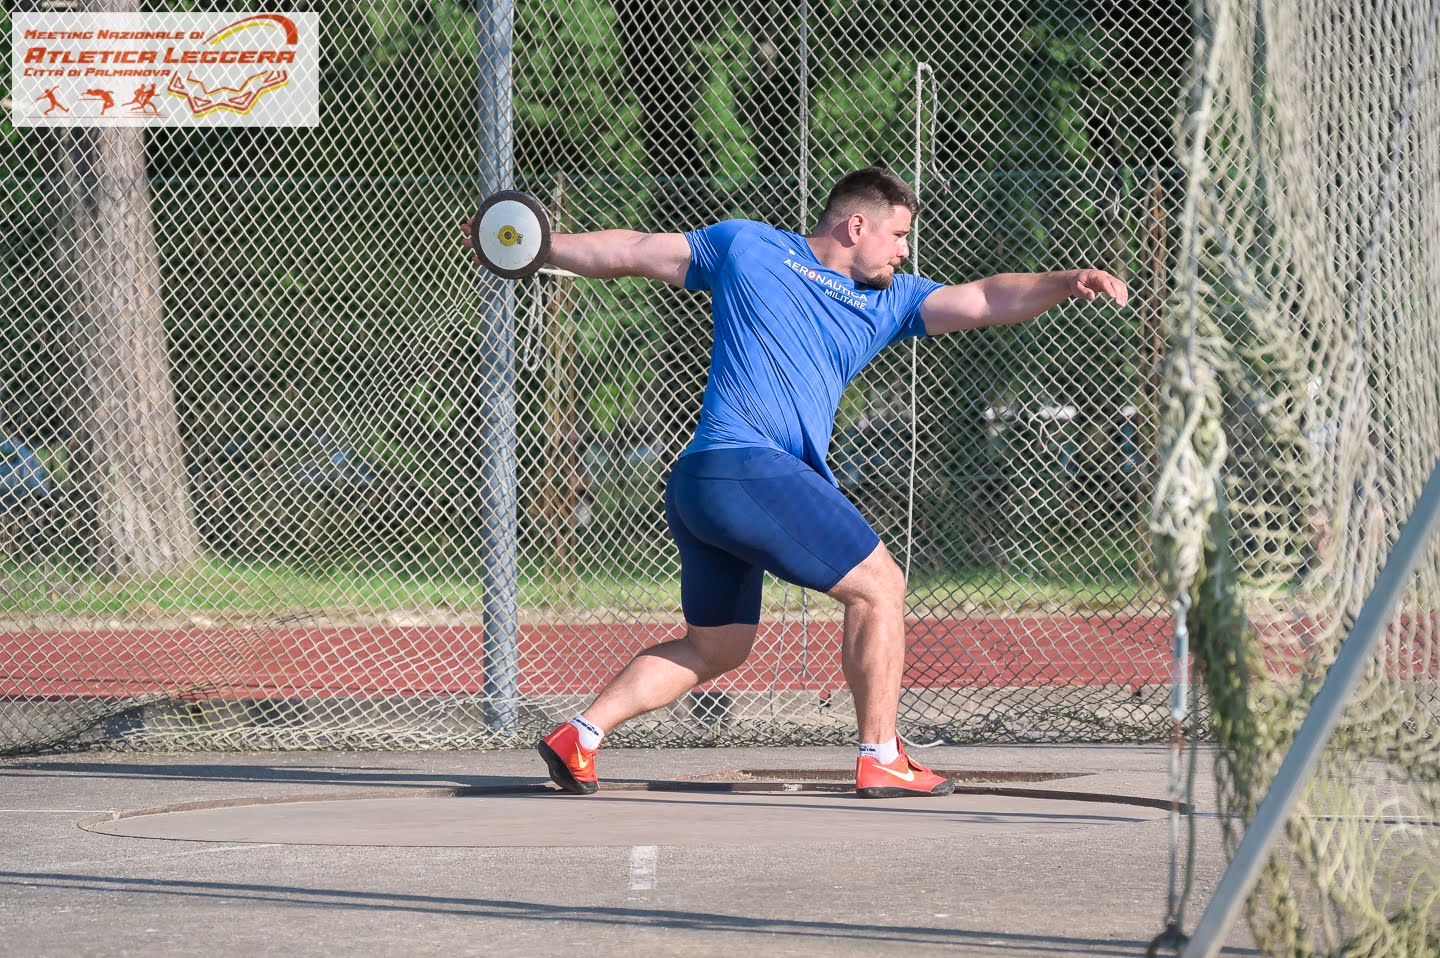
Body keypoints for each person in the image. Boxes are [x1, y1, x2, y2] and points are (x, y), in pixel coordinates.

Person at [464, 167, 1128, 798]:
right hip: (750, 467)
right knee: (881, 587)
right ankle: (881, 757)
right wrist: (537, 246)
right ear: (857, 226)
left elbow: (985, 298)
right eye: (898, 235)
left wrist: (1066, 280)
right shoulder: (746, 246)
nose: (905, 250)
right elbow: (633, 251)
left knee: (717, 646)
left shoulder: (890, 300)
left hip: (700, 482)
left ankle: (580, 736)